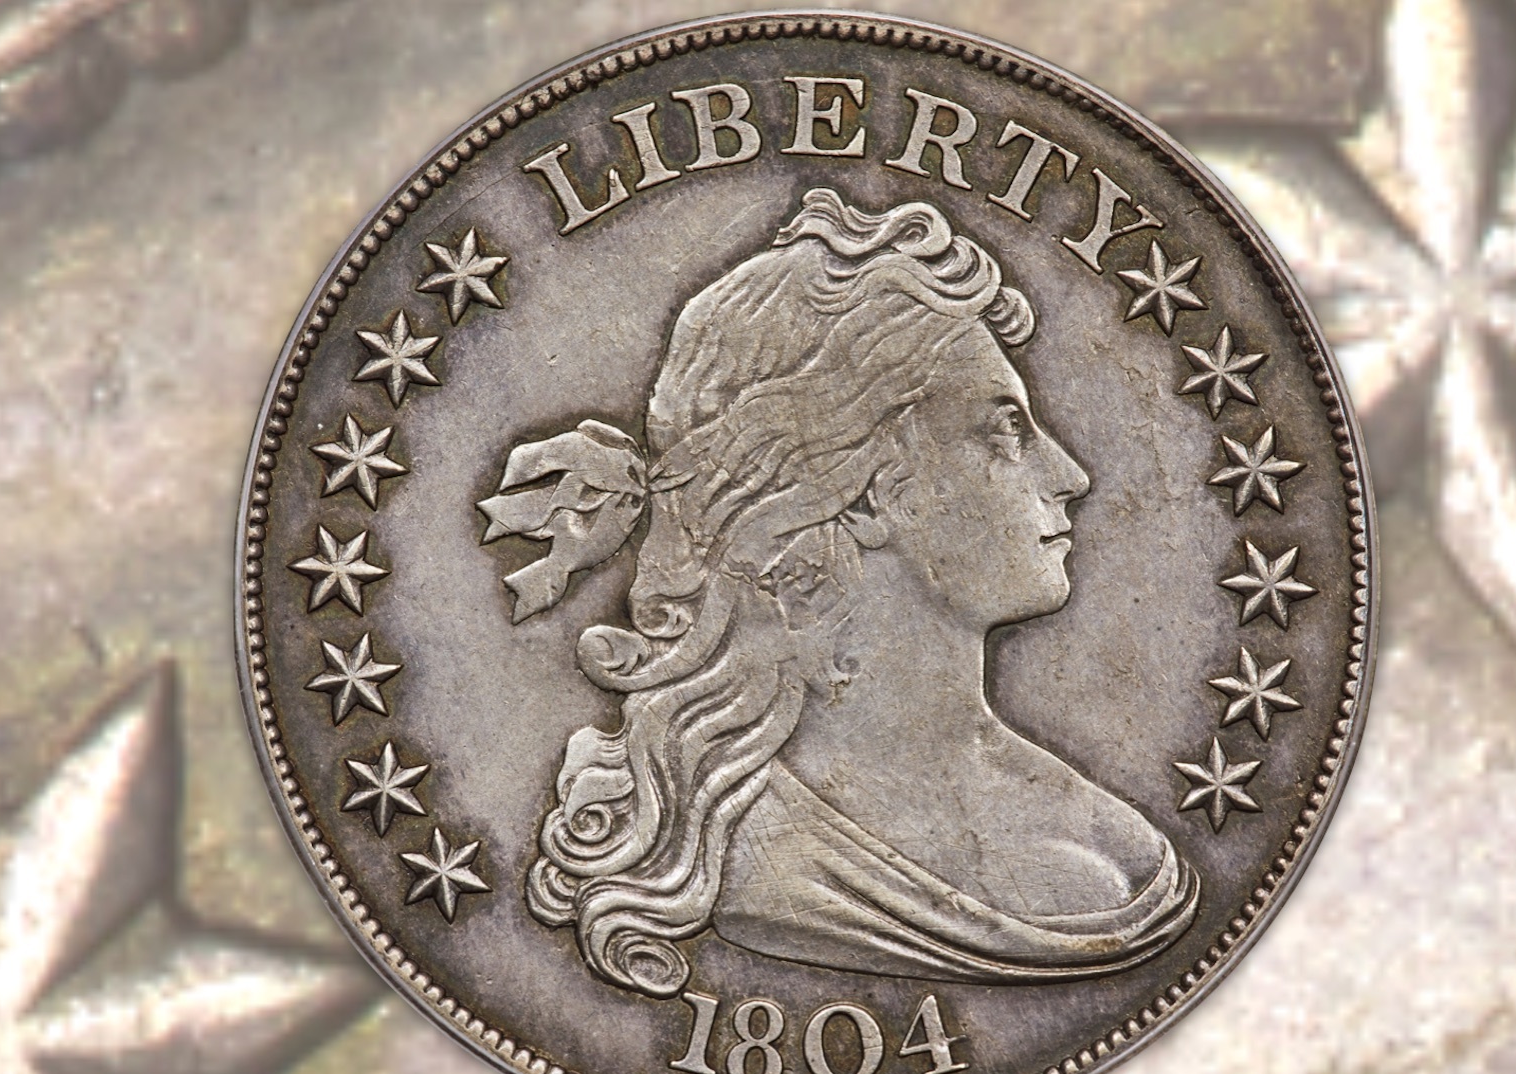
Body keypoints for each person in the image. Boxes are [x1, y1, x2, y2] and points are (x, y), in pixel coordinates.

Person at [480, 188, 1198, 997]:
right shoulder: (736, 850)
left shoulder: (1109, 839)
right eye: (1003, 429)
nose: (1069, 476)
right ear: (859, 494)